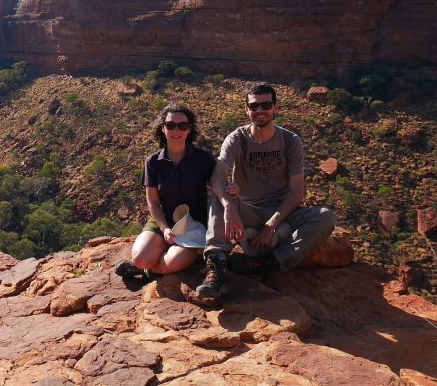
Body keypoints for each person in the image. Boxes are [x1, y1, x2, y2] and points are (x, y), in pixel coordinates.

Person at [196, 84, 336, 301]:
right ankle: (217, 268)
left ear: (276, 107)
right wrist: (229, 207)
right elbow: (217, 174)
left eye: (266, 105)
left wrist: (271, 226)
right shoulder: (237, 138)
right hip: (249, 209)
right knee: (219, 194)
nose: (259, 110)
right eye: (254, 105)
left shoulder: (290, 141)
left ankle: (270, 262)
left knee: (325, 216)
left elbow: (297, 192)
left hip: (283, 212)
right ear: (246, 109)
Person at [115, 104, 217, 279]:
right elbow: (153, 202)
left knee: (173, 261)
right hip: (163, 219)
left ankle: (146, 271)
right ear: (162, 128)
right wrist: (164, 229)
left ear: (189, 129)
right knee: (140, 258)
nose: (176, 130)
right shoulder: (153, 162)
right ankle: (142, 265)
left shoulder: (203, 159)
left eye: (182, 126)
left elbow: (218, 187)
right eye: (170, 125)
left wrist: (232, 189)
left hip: (193, 225)